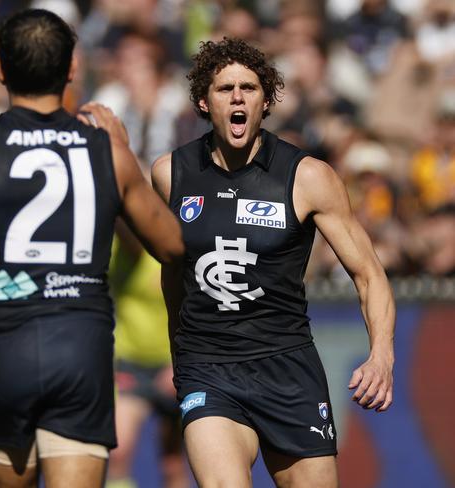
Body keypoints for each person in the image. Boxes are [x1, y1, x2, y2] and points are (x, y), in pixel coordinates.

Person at [0, 9, 183, 488]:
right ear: (72, 69)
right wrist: (124, 155)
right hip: (80, 351)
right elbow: (174, 245)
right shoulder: (106, 150)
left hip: (1, 349)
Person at [151, 38, 396, 487]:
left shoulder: (308, 177)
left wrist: (381, 357)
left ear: (267, 101)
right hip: (209, 367)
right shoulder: (171, 173)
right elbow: (173, 272)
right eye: (225, 89)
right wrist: (178, 350)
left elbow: (369, 274)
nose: (238, 98)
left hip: (288, 368)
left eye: (249, 88)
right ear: (205, 102)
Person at [107, 226, 190, 488]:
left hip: (173, 366)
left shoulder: (176, 253)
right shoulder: (115, 252)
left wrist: (177, 362)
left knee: (173, 462)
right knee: (118, 452)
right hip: (129, 365)